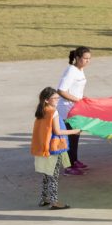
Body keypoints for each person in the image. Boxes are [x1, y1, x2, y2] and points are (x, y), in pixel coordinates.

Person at [32, 87, 80, 209]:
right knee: (54, 175)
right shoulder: (53, 112)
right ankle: (54, 202)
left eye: (58, 98)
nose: (57, 100)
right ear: (47, 100)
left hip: (44, 146)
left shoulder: (42, 110)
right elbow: (58, 131)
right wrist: (75, 131)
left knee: (46, 174)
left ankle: (44, 199)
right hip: (54, 147)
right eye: (55, 98)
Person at [55, 46, 91, 176]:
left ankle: (74, 160)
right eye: (85, 58)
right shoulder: (71, 71)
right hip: (67, 110)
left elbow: (76, 89)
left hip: (76, 108)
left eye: (89, 58)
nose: (87, 61)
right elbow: (61, 90)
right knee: (70, 137)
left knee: (76, 135)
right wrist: (77, 100)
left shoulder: (80, 70)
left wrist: (82, 98)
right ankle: (68, 167)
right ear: (77, 58)